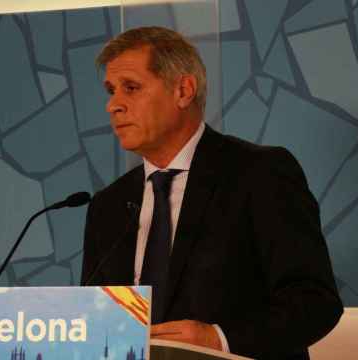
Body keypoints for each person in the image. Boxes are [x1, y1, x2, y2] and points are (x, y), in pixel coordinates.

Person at [81, 26, 342, 359]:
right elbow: (97, 321)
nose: (113, 105)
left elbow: (315, 300)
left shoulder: (260, 173)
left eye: (130, 88)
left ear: (183, 90)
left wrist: (220, 339)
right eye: (110, 90)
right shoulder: (108, 205)